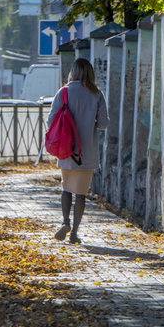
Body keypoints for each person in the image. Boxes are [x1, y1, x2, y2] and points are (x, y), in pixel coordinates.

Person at [47, 58, 109, 245]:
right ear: (90, 73)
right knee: (81, 193)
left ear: (72, 71)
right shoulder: (96, 94)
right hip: (86, 152)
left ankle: (65, 221)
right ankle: (74, 232)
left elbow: (51, 121)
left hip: (66, 148)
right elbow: (104, 124)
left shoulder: (63, 92)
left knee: (67, 188)